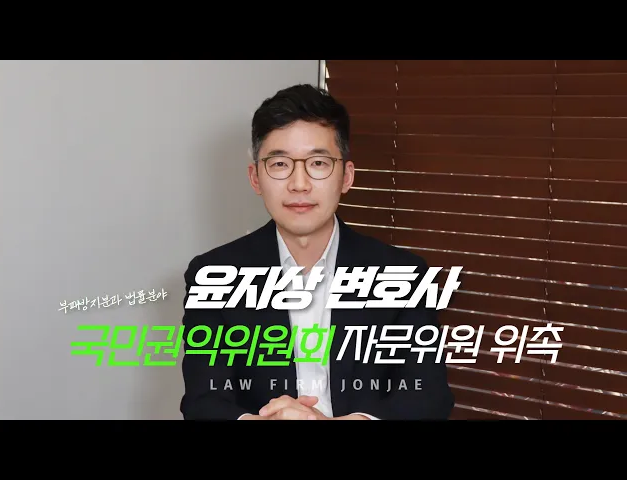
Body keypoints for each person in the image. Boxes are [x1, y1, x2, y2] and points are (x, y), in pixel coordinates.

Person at [179, 84, 454, 420]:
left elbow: (429, 397)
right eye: (280, 164)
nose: (299, 184)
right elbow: (203, 400)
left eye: (319, 163)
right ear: (255, 178)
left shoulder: (404, 275)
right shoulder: (213, 275)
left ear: (346, 177)